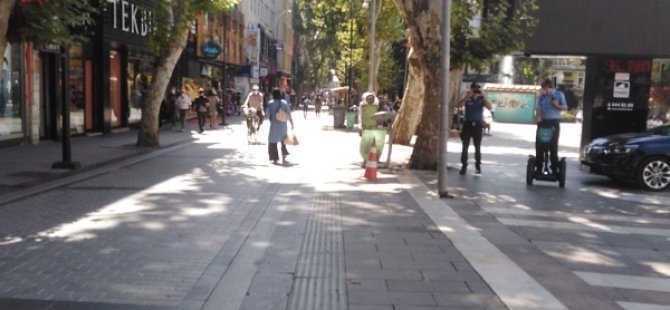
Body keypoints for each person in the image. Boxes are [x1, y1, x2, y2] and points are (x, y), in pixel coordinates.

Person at [457, 82, 492, 175]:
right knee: (465, 147)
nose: (476, 91)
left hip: (478, 125)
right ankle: (464, 165)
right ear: (471, 89)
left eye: (477, 89)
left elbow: (490, 107)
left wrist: (483, 96)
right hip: (467, 124)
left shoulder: (481, 100)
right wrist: (468, 96)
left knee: (477, 147)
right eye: (474, 89)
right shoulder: (468, 99)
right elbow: (459, 105)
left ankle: (478, 166)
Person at [535, 78, 568, 175]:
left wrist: (556, 105)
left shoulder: (558, 95)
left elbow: (565, 107)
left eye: (543, 88)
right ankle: (538, 167)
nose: (542, 90)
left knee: (553, 146)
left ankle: (554, 168)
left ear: (547, 87)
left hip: (554, 123)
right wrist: (538, 117)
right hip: (543, 122)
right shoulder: (542, 97)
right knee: (539, 145)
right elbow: (538, 109)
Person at [267, 87, 294, 165]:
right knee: (283, 141)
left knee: (272, 142)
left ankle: (275, 158)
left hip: (274, 125)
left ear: (273, 94)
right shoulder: (284, 103)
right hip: (283, 125)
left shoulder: (270, 103)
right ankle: (284, 155)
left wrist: (271, 119)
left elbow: (268, 113)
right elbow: (289, 113)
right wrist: (292, 123)